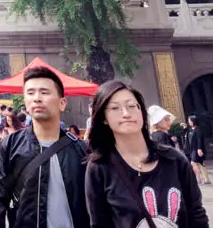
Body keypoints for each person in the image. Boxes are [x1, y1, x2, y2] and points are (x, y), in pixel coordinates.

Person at [85, 79, 208, 227]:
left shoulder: (174, 159)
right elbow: (99, 224)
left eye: (131, 106)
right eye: (115, 108)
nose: (126, 113)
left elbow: (196, 214)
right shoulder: (100, 167)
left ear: (142, 112)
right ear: (104, 118)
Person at [0, 64, 89, 228]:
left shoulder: (81, 149)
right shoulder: (11, 145)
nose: (37, 98)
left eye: (45, 92)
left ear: (62, 103)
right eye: (30, 93)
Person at [188, 115, 211, 185]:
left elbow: (199, 139)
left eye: (189, 120)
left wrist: (199, 148)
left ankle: (198, 179)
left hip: (197, 149)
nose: (188, 122)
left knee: (193, 163)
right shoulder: (191, 130)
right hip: (193, 150)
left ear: (193, 121)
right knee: (201, 164)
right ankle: (206, 180)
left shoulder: (198, 130)